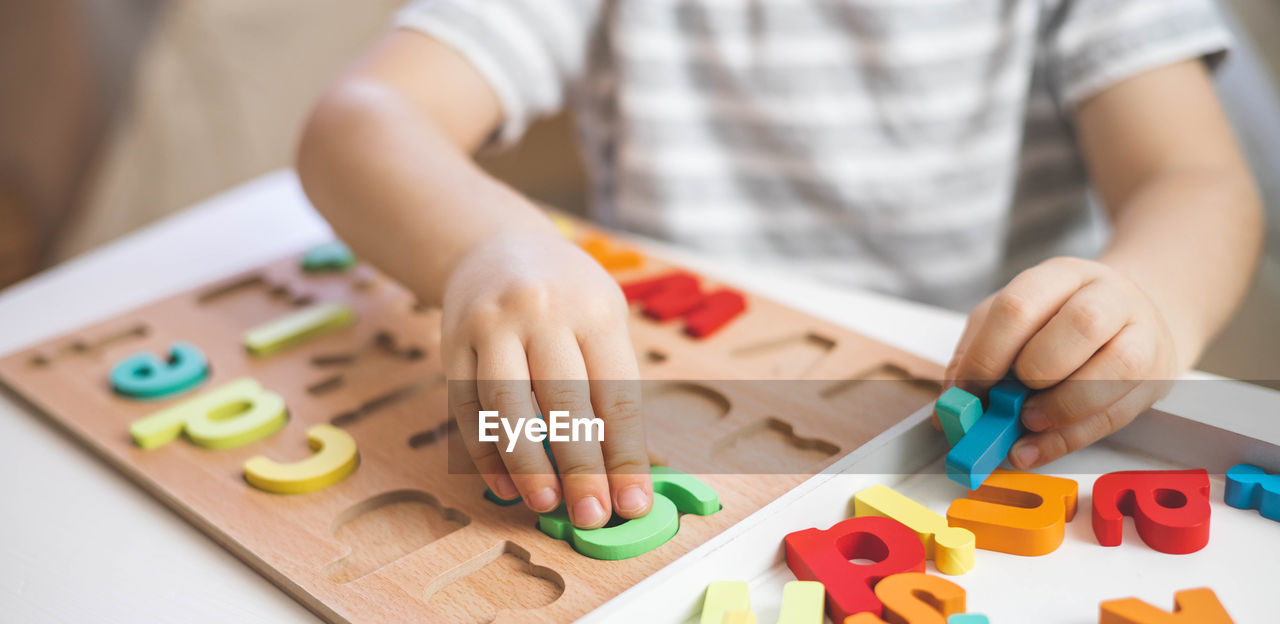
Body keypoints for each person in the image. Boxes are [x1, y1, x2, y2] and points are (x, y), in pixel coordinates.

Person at [296, 0, 1263, 530]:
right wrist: (480, 244)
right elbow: (363, 120)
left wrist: (1154, 304)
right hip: (691, 419)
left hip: (971, 440)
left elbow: (1196, 180)